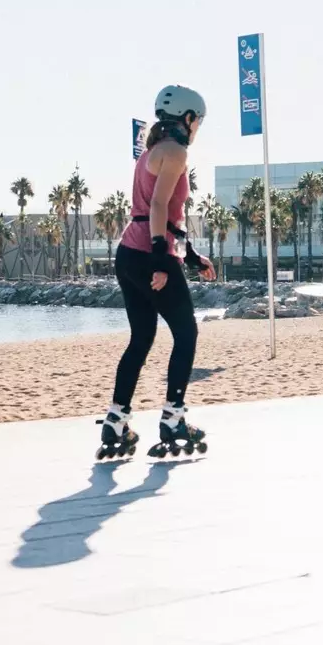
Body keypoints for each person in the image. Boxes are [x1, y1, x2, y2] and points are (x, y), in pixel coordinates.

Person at [97, 85, 216, 460]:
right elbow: (161, 207)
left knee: (142, 337)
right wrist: (164, 261)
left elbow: (150, 212)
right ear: (188, 118)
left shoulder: (149, 152)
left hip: (128, 254)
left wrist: (191, 255)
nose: (198, 128)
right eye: (199, 121)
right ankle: (174, 418)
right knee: (186, 332)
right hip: (150, 253)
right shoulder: (176, 152)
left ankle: (116, 421)